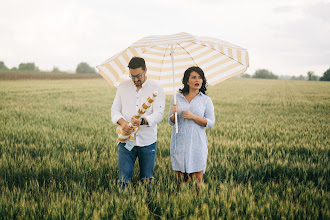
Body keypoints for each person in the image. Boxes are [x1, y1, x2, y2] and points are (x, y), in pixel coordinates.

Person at [111, 57, 165, 188]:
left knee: (147, 180)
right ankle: (124, 204)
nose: (135, 80)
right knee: (124, 180)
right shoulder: (123, 87)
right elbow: (115, 109)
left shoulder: (156, 88)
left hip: (148, 142)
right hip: (125, 141)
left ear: (146, 70)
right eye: (132, 76)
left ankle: (147, 204)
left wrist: (142, 121)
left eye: (138, 76)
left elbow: (159, 114)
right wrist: (123, 123)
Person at [168, 66, 215, 188]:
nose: (197, 80)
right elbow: (171, 122)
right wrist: (174, 114)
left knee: (197, 180)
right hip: (180, 141)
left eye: (200, 77)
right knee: (180, 181)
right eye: (194, 77)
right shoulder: (177, 97)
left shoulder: (206, 100)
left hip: (197, 142)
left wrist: (194, 117)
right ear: (187, 81)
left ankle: (198, 204)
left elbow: (210, 123)